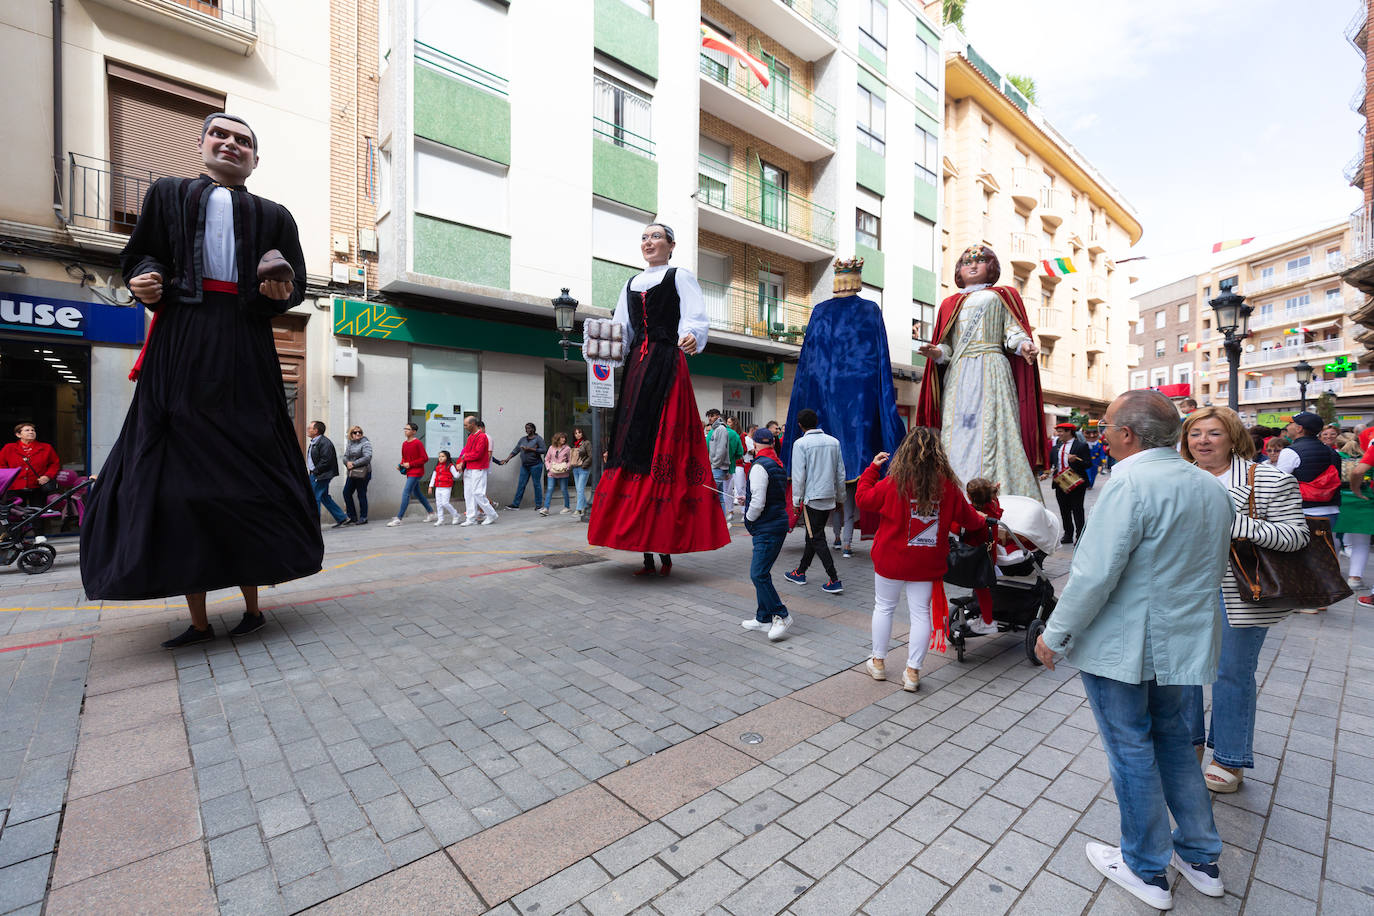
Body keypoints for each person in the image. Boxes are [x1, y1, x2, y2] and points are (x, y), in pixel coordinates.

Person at [79, 113, 323, 648]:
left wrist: (283, 293)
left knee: (251, 468)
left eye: (244, 141)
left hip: (244, 338)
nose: (231, 144)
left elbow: (296, 282)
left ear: (256, 160)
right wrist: (144, 278)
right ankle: (197, 621)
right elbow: (140, 254)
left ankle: (253, 610)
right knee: (179, 481)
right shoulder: (167, 194)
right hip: (183, 337)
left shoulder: (275, 214)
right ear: (202, 144)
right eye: (222, 135)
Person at [1034, 390, 1232, 910]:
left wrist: (1054, 633)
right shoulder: (1209, 487)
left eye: (1106, 428)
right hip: (1180, 641)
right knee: (1174, 744)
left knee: (1131, 749)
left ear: (1128, 434)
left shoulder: (1130, 483)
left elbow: (1094, 572)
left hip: (1125, 643)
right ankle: (1200, 856)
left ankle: (1145, 866)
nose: (1102, 435)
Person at [1179, 406, 1309, 795]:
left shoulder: (1269, 480)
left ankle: (1230, 759)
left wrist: (1238, 524)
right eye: (1195, 433)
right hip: (1184, 589)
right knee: (1182, 672)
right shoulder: (1179, 478)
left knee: (1231, 673)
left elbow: (1297, 536)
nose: (1203, 440)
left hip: (1240, 590)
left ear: (1233, 438)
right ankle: (1188, 745)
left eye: (1213, 433)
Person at [586, 222, 729, 574]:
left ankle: (663, 546)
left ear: (671, 245)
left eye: (656, 237)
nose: (649, 243)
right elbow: (623, 328)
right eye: (645, 238)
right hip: (637, 366)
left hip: (666, 361)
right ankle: (646, 548)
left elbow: (695, 317)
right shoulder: (630, 284)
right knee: (632, 444)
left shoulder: (680, 276)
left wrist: (692, 336)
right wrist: (603, 351)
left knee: (663, 445)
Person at [857, 427, 990, 693]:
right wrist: (982, 518)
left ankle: (879, 663)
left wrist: (872, 468)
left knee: (884, 607)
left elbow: (863, 499)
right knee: (920, 615)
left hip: (890, 559)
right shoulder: (949, 486)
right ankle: (913, 671)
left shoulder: (895, 482)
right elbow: (970, 520)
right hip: (927, 562)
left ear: (905, 451)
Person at [915, 244, 1048, 500]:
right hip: (960, 371)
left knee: (996, 426)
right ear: (959, 270)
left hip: (992, 367)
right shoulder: (949, 304)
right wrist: (936, 353)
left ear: (992, 267)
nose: (973, 266)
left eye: (980, 260)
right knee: (957, 430)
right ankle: (954, 495)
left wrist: (1024, 345)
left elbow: (1013, 332)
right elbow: (948, 346)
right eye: (967, 262)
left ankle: (997, 493)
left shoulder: (1002, 295)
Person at [1275, 411, 1343, 613]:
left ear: (1300, 429)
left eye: (1291, 424)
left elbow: (1279, 482)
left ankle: (1306, 602)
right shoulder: (1332, 452)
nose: (1288, 427)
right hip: (1331, 510)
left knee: (1300, 556)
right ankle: (1320, 599)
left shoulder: (1291, 452)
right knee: (1320, 554)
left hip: (1304, 510)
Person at [784, 408, 845, 595]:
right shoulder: (834, 442)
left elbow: (798, 475)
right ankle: (800, 571)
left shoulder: (801, 443)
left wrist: (796, 500)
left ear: (800, 425)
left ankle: (834, 578)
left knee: (816, 537)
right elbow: (840, 473)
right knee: (813, 535)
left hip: (812, 497)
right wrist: (840, 497)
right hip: (828, 495)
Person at [740, 427, 793, 641]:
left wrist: (748, 518)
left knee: (758, 574)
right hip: (776, 522)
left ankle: (781, 614)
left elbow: (759, 502)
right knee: (762, 572)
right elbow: (768, 495)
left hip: (767, 526)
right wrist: (750, 500)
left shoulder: (760, 465)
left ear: (755, 443)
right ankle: (763, 618)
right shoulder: (776, 462)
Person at [963, 477, 1002, 636]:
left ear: (970, 497)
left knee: (982, 589)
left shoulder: (974, 514)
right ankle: (982, 615)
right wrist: (994, 493)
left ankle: (988, 622)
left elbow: (959, 525)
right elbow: (996, 504)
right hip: (989, 554)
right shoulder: (992, 506)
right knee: (980, 588)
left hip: (977, 557)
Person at [1044, 421, 1092, 544]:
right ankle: (1068, 534)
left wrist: (1075, 460)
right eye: (1057, 431)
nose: (1058, 434)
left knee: (1077, 510)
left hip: (1076, 483)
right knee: (1064, 510)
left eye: (1060, 431)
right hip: (1060, 483)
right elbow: (1053, 465)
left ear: (1068, 432)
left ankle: (1080, 535)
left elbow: (1088, 464)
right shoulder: (1056, 448)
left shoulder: (1081, 446)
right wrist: (1046, 473)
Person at [0, 422, 60, 509]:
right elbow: (1, 465)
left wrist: (47, 476)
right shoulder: (9, 448)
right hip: (14, 487)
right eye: (27, 430)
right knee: (16, 515)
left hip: (38, 487)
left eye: (33, 430)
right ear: (18, 434)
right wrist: (9, 478)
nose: (31, 432)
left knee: (38, 515)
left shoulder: (46, 448)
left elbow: (54, 464)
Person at [387, 422, 434, 526]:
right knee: (417, 493)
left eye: (408, 429)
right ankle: (431, 512)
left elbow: (425, 458)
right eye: (405, 428)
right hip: (409, 471)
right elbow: (404, 458)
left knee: (406, 492)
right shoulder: (404, 444)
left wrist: (411, 464)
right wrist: (401, 465)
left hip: (417, 472)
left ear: (414, 432)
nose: (405, 430)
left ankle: (399, 518)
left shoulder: (417, 443)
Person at [307, 420, 350, 529]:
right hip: (317, 473)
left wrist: (315, 472)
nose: (308, 429)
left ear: (316, 431)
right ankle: (342, 518)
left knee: (315, 497)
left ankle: (314, 524)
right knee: (324, 497)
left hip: (321, 475)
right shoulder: (315, 441)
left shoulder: (324, 442)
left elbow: (325, 460)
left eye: (310, 428)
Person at [456, 416, 498, 527]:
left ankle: (491, 514)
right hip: (469, 468)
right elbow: (466, 452)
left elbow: (477, 454)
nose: (464, 427)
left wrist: (465, 458)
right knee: (468, 494)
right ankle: (471, 518)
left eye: (466, 425)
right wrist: (461, 462)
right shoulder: (470, 437)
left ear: (473, 424)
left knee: (478, 493)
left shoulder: (482, 437)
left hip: (478, 468)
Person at [498, 422, 545, 510]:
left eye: (529, 428)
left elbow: (543, 450)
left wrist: (530, 449)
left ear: (533, 429)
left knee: (536, 484)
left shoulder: (538, 439)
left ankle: (539, 505)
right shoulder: (523, 439)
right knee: (521, 484)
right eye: (526, 428)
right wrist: (507, 459)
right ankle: (516, 504)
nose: (527, 430)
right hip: (525, 466)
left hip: (536, 465)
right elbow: (516, 450)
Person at [705, 409, 733, 520]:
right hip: (718, 467)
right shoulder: (716, 429)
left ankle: (715, 519)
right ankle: (721, 520)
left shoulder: (721, 429)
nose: (710, 418)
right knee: (719, 496)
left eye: (712, 416)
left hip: (718, 467)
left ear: (717, 416)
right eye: (709, 416)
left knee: (712, 495)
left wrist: (715, 464)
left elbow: (721, 449)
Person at [342, 425, 372, 525]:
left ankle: (363, 517)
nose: (358, 434)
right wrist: (347, 463)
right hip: (352, 472)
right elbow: (345, 456)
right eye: (355, 432)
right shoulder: (350, 443)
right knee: (346, 492)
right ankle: (352, 516)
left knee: (361, 494)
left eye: (359, 432)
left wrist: (353, 463)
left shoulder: (365, 443)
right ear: (351, 434)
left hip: (363, 473)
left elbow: (367, 457)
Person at [541, 432, 572, 516]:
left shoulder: (567, 448)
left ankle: (567, 507)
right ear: (557, 439)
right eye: (562, 438)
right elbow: (546, 459)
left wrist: (567, 467)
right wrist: (548, 468)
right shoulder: (551, 448)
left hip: (563, 473)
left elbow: (570, 460)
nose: (564, 439)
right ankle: (546, 509)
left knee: (563, 489)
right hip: (552, 473)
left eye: (564, 438)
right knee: (550, 489)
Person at [427, 450, 462, 525]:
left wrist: (460, 471)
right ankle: (440, 519)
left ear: (447, 457)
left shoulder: (450, 466)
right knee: (438, 504)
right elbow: (433, 477)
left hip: (446, 487)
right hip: (438, 487)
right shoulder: (437, 467)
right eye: (439, 456)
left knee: (445, 503)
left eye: (443, 456)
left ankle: (456, 515)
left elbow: (456, 475)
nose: (440, 458)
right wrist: (430, 486)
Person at [570, 427, 592, 519]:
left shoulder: (586, 443)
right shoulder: (574, 445)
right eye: (576, 433)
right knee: (578, 489)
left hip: (583, 468)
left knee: (580, 489)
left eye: (579, 432)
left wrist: (584, 465)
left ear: (582, 433)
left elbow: (591, 456)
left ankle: (579, 509)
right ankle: (585, 506)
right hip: (575, 468)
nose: (578, 434)